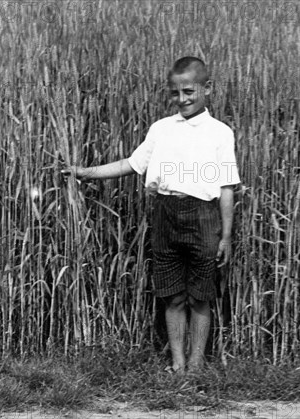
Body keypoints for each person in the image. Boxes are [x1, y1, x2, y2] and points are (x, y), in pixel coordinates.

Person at [62, 56, 241, 373]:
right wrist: (86, 172)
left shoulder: (220, 133)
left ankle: (197, 367)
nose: (182, 99)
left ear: (207, 89)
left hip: (204, 218)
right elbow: (131, 164)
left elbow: (227, 187)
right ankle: (177, 364)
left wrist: (226, 236)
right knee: (172, 295)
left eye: (189, 91)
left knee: (200, 297)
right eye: (175, 93)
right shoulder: (160, 129)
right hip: (165, 214)